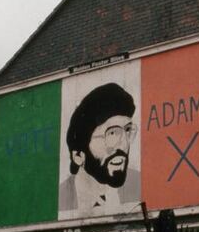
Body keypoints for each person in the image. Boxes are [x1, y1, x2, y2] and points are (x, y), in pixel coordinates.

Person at [59, 82, 140, 213]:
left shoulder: (139, 185)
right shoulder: (61, 200)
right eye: (112, 133)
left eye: (128, 130)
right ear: (78, 156)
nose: (124, 145)